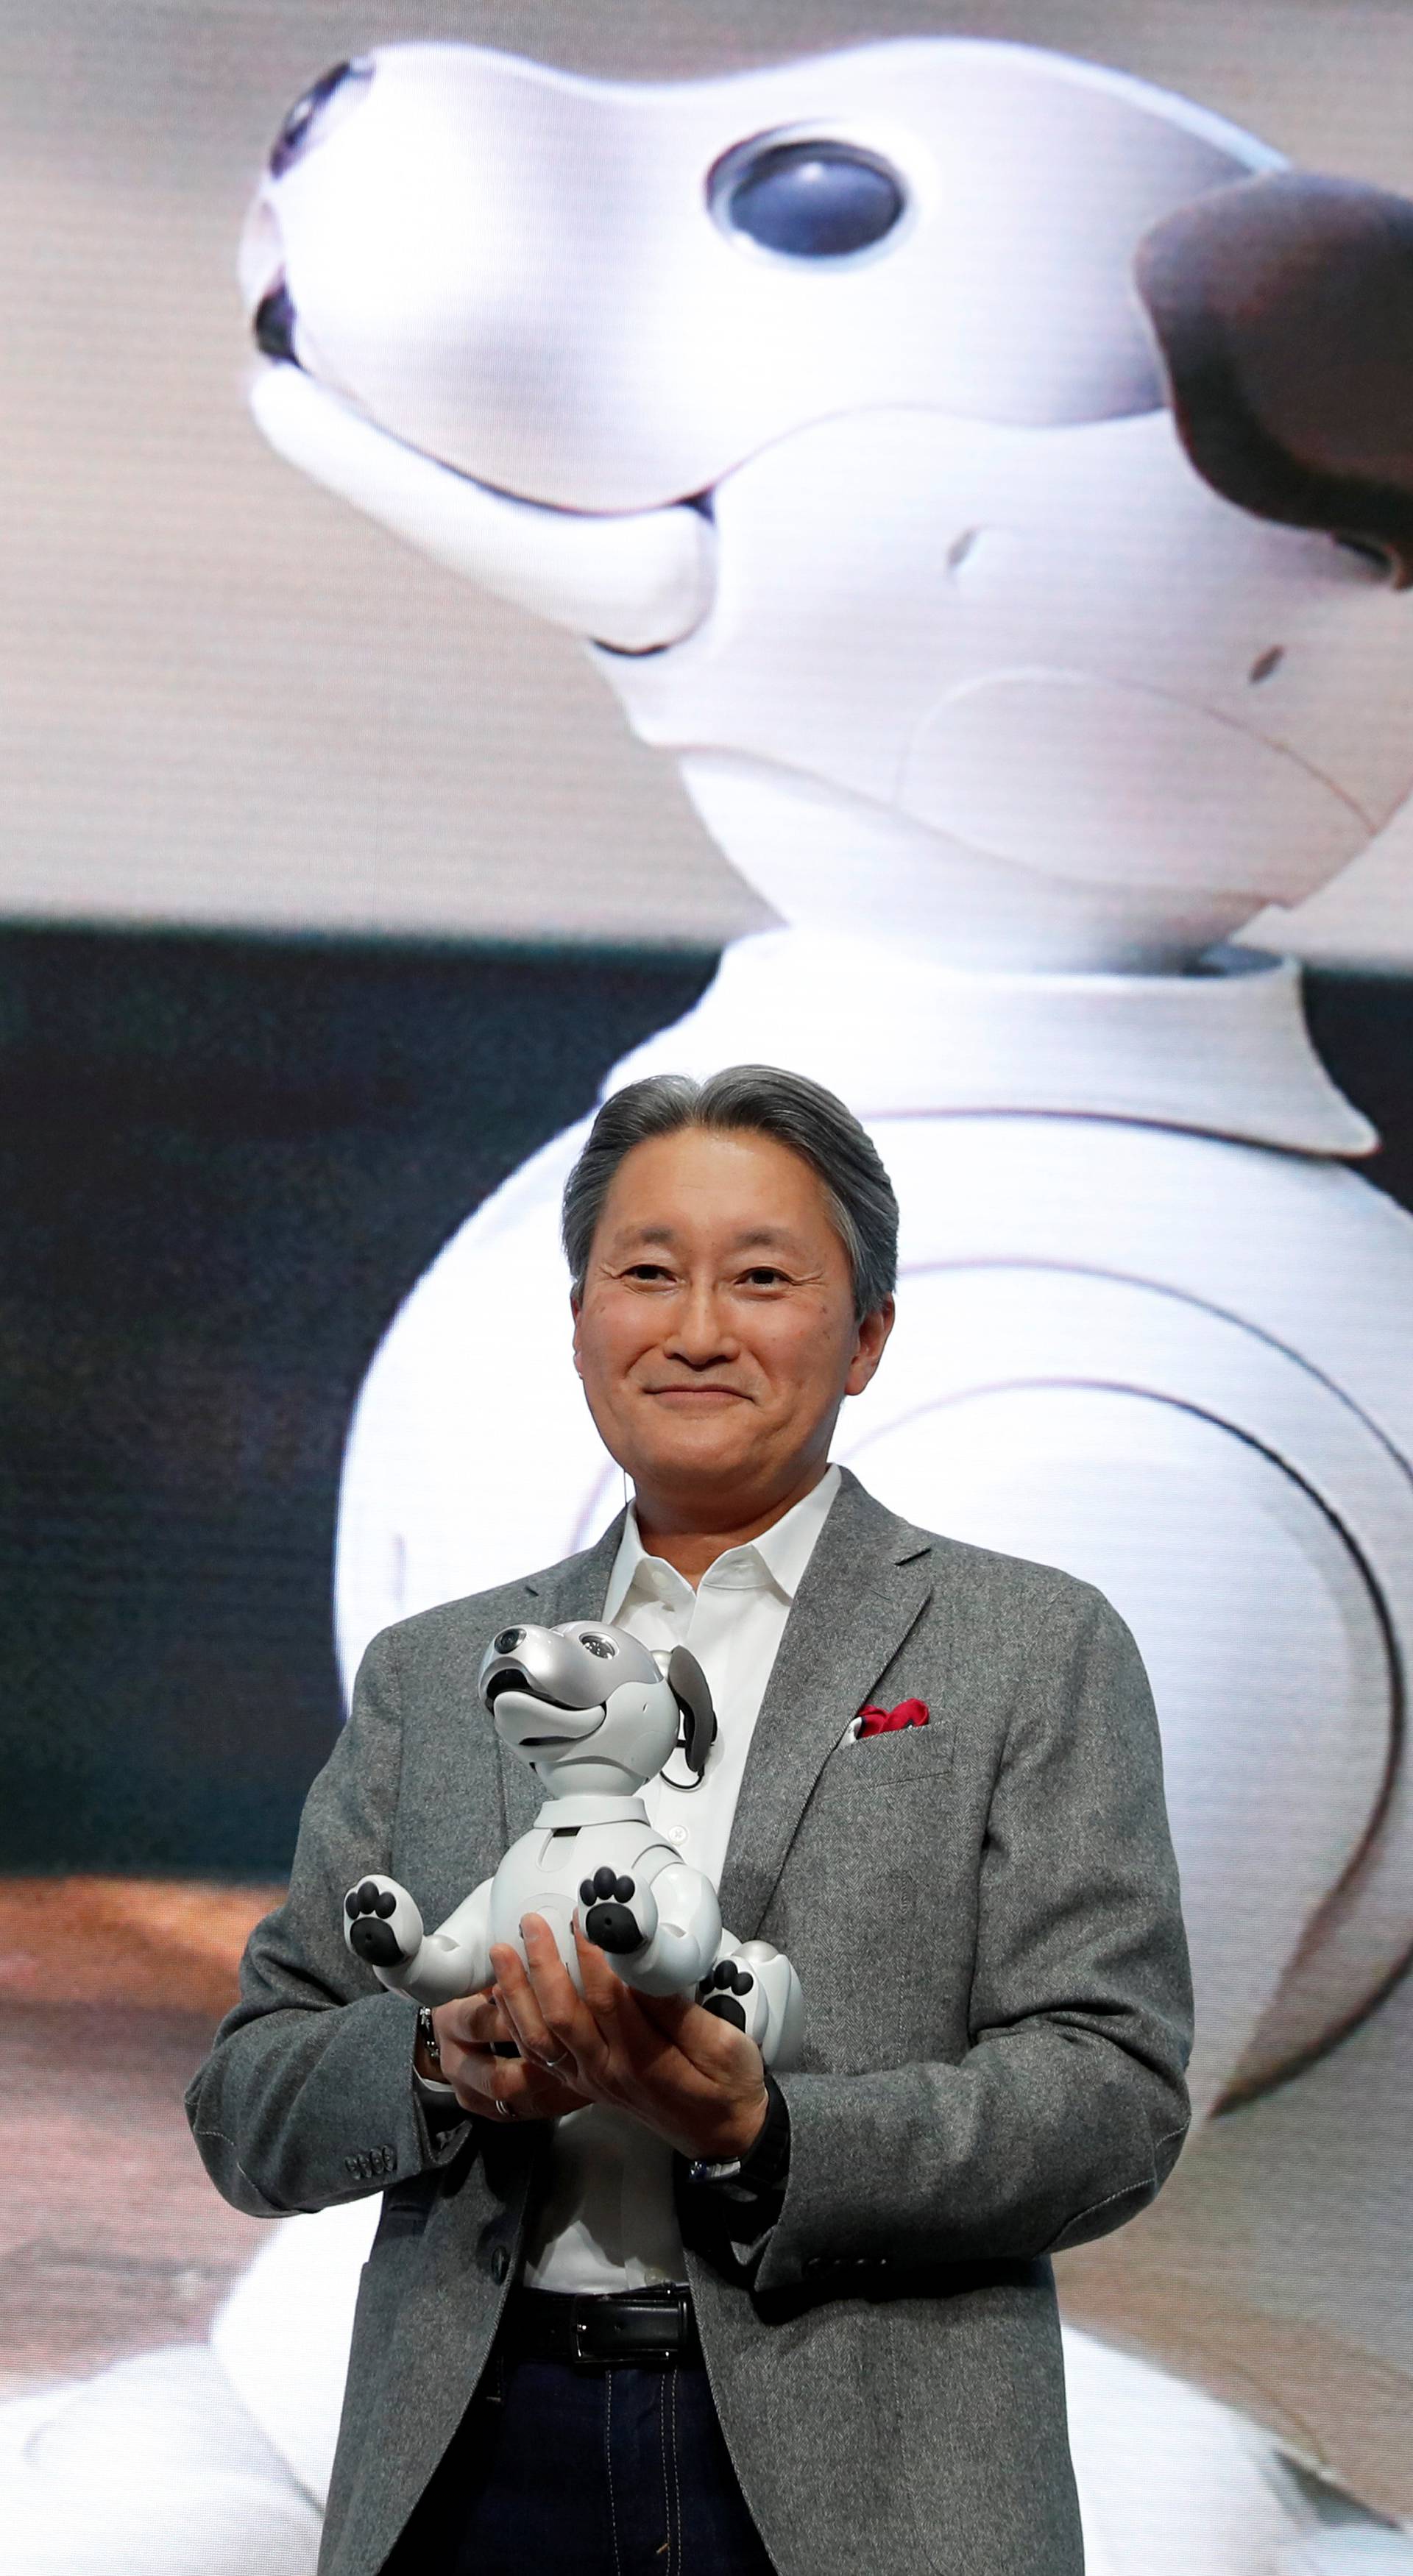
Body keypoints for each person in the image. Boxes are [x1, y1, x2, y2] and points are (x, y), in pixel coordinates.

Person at [187, 1064, 1192, 2576]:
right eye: (646, 1272)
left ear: (866, 1336)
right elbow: (251, 2098)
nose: (699, 1326)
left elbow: (1110, 2096)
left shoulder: (1029, 1645)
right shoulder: (440, 1671)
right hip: (474, 2462)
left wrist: (768, 2132)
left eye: (765, 1278)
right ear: (583, 1322)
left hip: (872, 2495)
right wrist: (434, 2060)